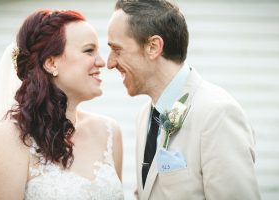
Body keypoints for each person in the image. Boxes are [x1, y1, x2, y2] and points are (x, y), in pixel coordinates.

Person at [107, 0, 260, 200]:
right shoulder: (145, 116)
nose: (109, 63)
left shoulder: (217, 114)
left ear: (153, 47)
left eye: (117, 50)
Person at [0, 9, 124, 200]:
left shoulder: (109, 131)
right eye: (89, 50)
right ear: (51, 63)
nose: (101, 62)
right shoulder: (11, 138)